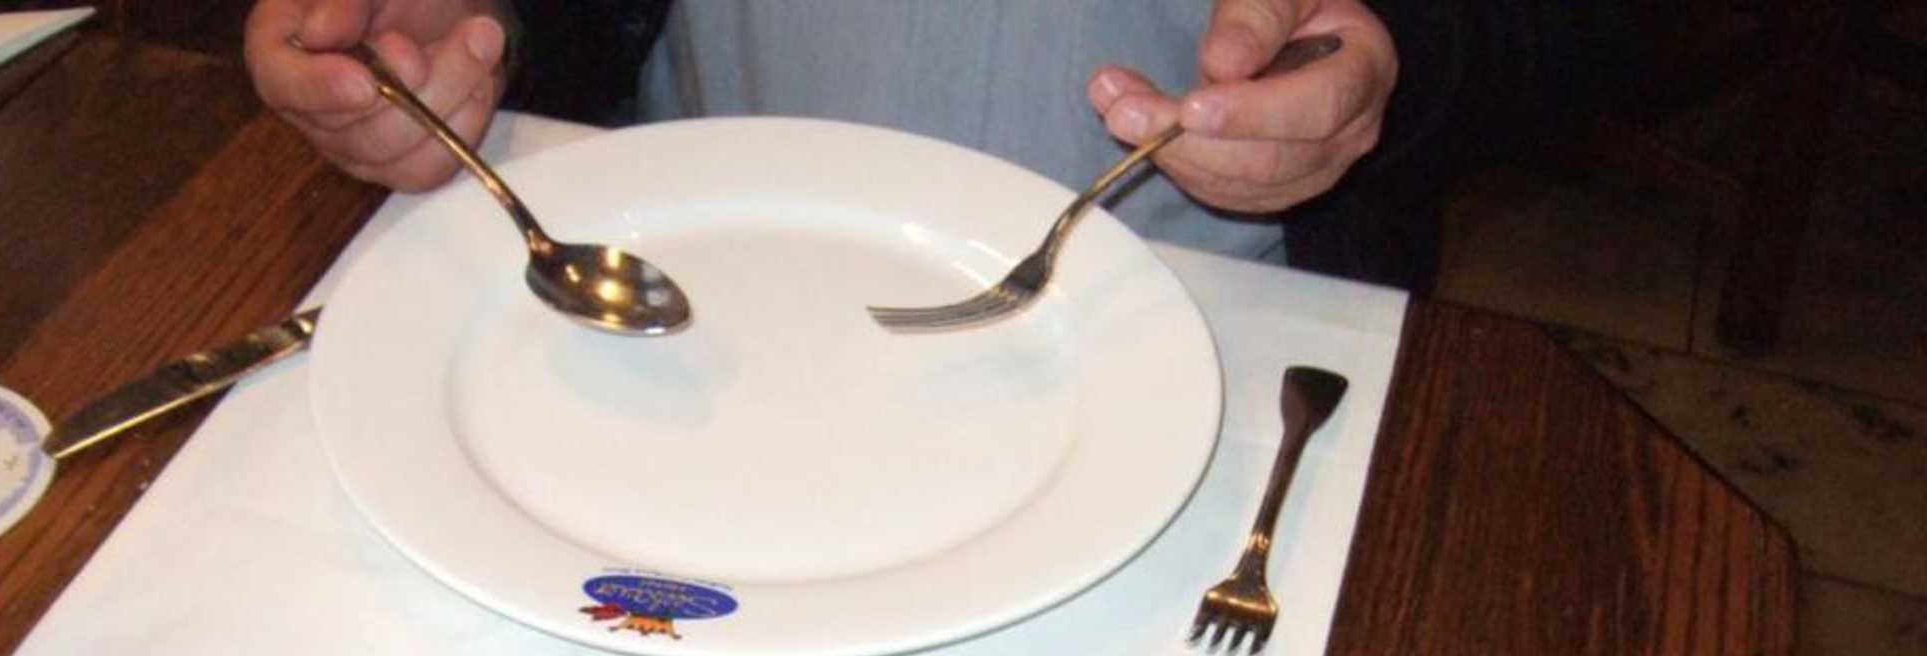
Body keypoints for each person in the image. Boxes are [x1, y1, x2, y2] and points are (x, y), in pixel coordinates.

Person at [244, 0, 1626, 292]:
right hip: (697, 264)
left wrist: (1398, 52)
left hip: (1220, 305)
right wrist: (458, 30)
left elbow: (1593, 43)